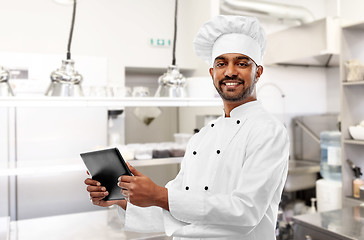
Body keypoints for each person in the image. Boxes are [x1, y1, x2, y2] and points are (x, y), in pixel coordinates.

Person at [85, 15, 289, 240]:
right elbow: (178, 210)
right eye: (221, 63)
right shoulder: (202, 137)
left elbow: (246, 211)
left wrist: (159, 195)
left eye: (241, 63)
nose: (230, 72)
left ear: (258, 72)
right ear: (212, 73)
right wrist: (122, 200)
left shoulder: (269, 131)